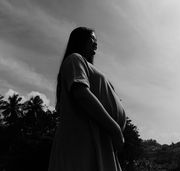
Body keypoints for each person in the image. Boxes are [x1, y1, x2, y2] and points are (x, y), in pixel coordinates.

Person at [48, 27, 126, 171]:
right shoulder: (74, 59)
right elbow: (82, 94)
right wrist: (115, 129)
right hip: (85, 141)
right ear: (80, 41)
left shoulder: (86, 66)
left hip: (102, 141)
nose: (96, 44)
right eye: (92, 39)